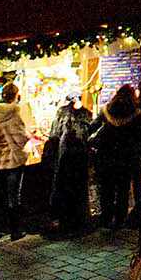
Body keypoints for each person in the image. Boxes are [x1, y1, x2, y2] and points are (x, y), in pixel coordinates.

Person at [90, 84, 141, 231]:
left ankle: (106, 218)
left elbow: (93, 126)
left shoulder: (107, 110)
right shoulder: (136, 114)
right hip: (126, 157)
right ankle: (120, 219)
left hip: (107, 155)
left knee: (106, 188)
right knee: (122, 190)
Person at [0, 82, 32, 240]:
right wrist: (28, 137)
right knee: (13, 195)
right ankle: (15, 230)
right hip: (12, 160)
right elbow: (20, 137)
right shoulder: (13, 114)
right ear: (15, 96)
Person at [46, 93, 95, 233]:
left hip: (65, 156)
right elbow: (90, 134)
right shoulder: (86, 114)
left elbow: (54, 134)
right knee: (79, 187)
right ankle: (78, 219)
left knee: (64, 187)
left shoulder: (62, 113)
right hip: (80, 156)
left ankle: (64, 220)